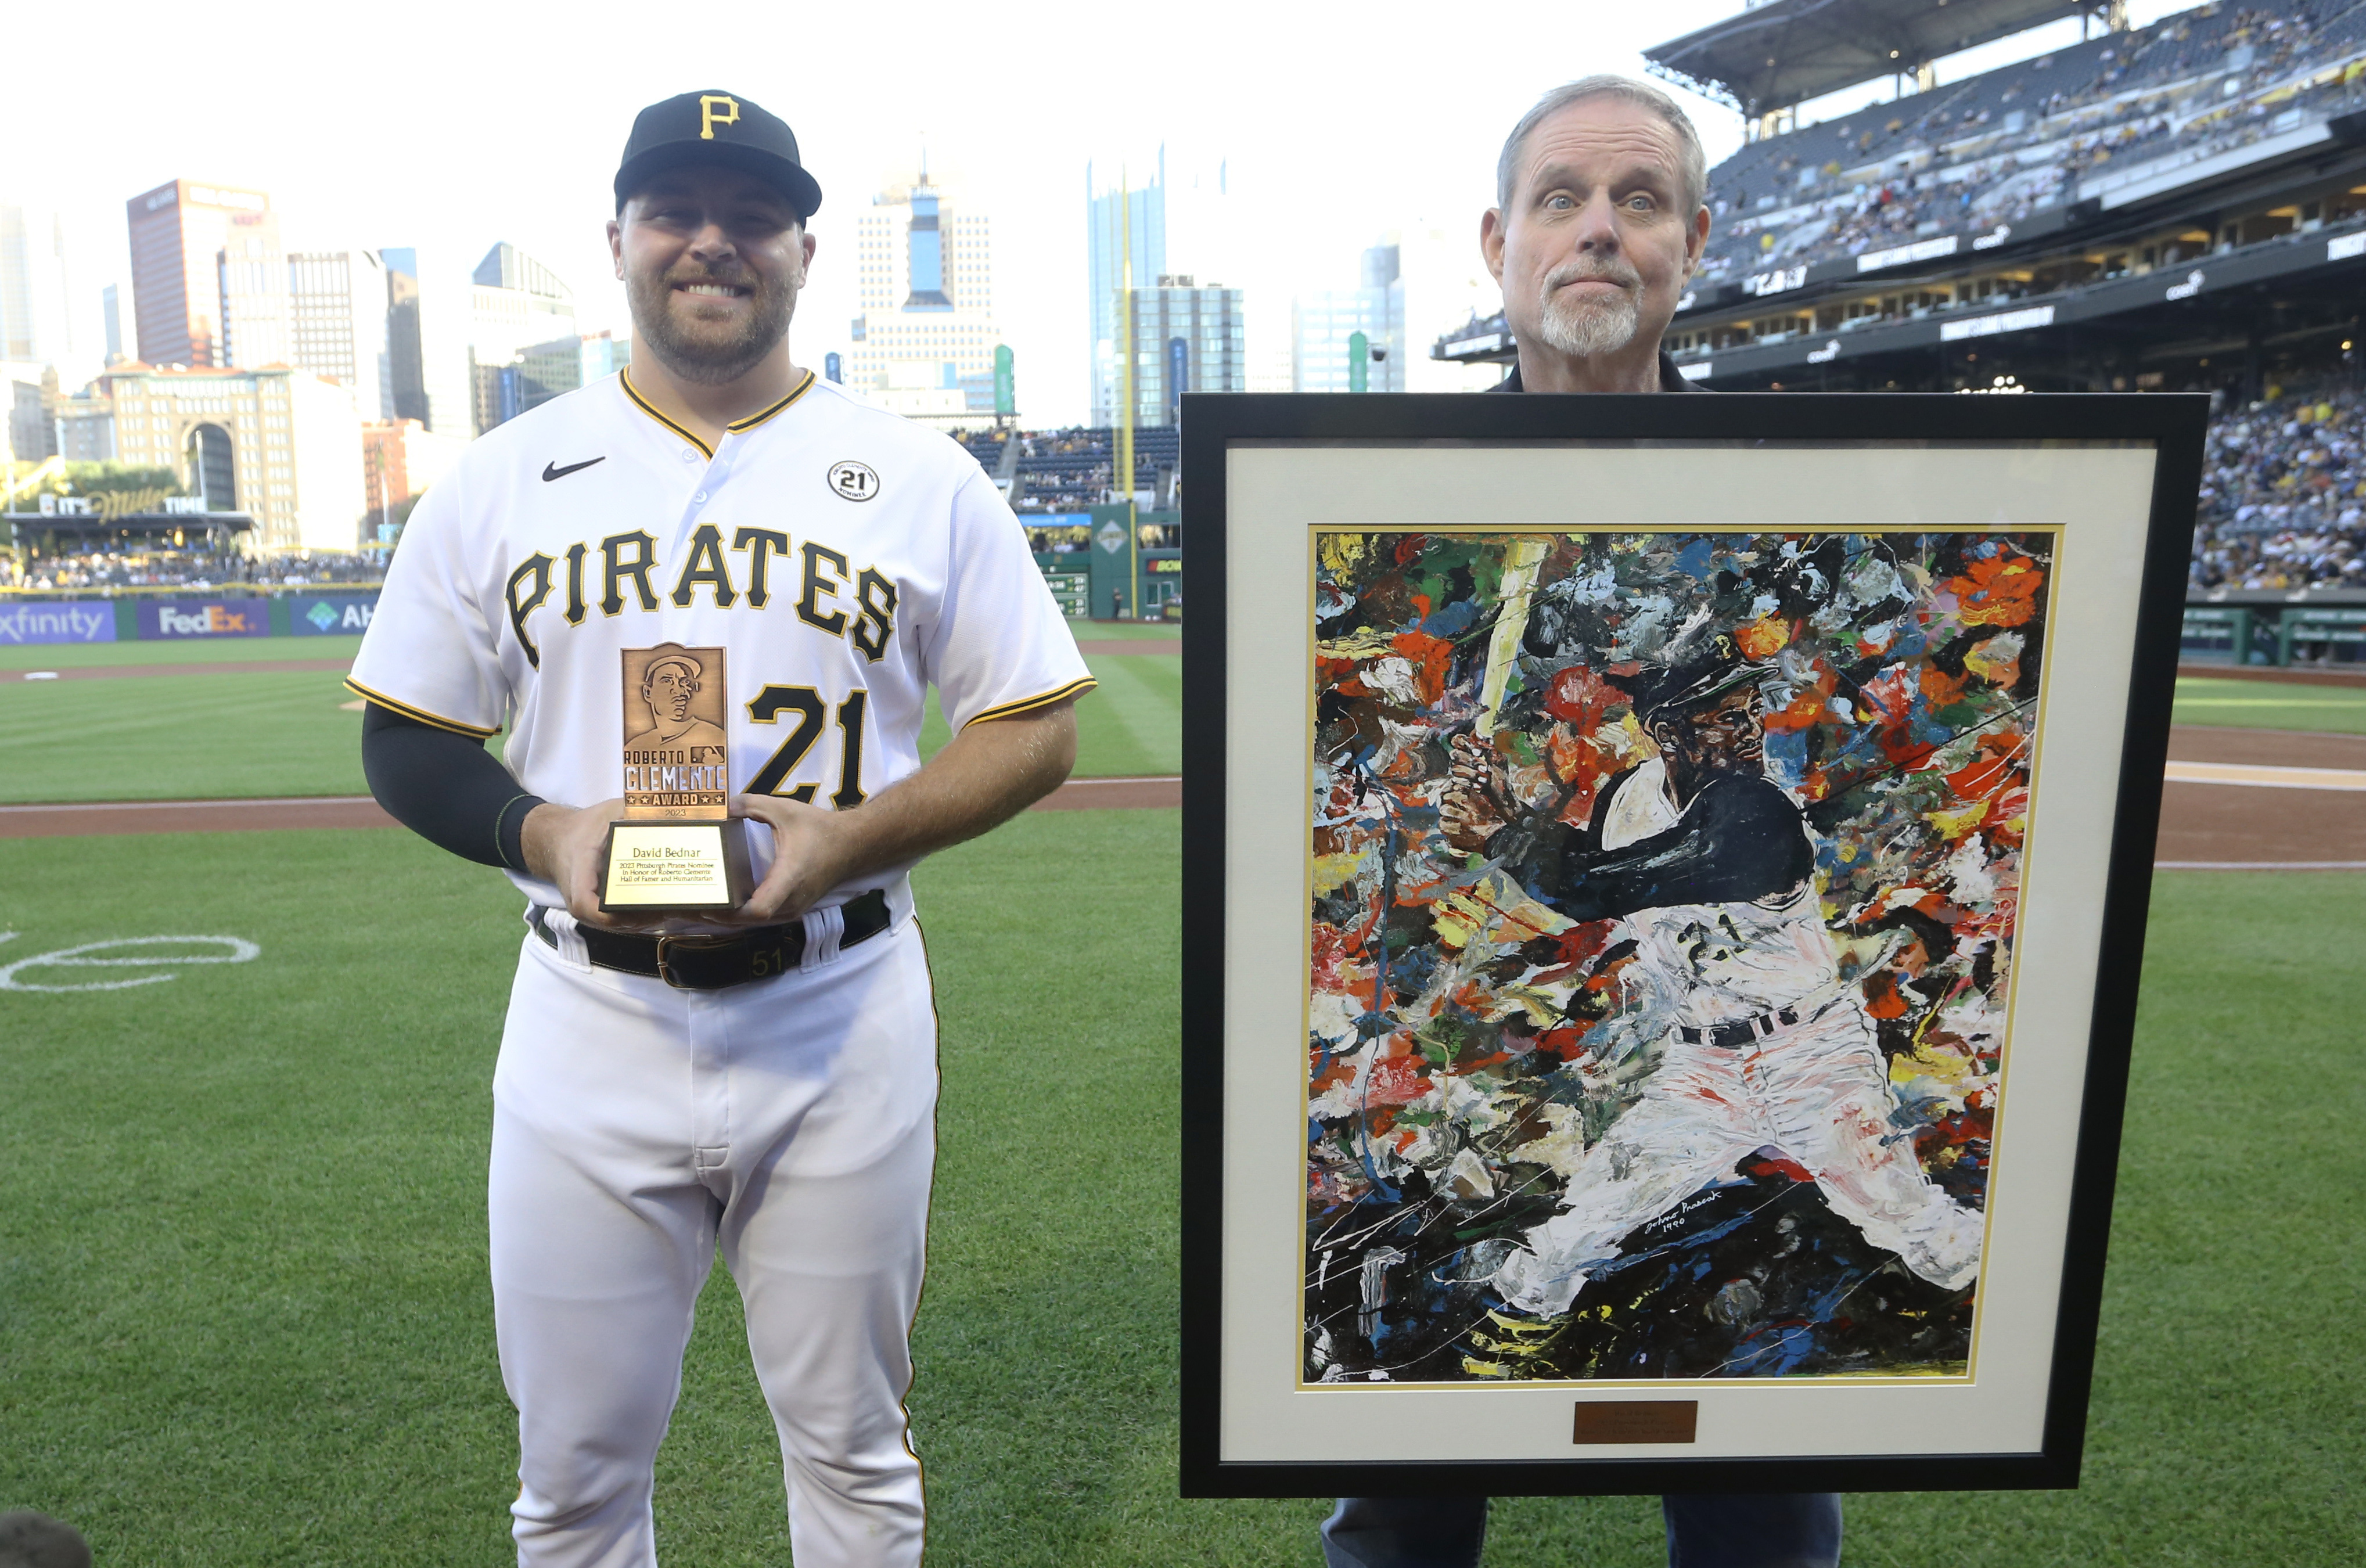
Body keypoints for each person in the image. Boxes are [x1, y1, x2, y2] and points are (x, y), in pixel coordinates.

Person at [347, 89, 1094, 1567]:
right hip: (586, 1016)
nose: (712, 243)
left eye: (751, 215)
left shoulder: (924, 475)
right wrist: (546, 836)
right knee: (569, 1482)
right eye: (676, 212)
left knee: (856, 1463)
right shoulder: (501, 475)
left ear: (805, 248)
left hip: (838, 1004)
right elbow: (406, 739)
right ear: (618, 240)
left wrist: (856, 836)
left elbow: (1037, 722)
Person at [1319, 74, 1846, 1568]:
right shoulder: (1383, 507)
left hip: (1708, 1031)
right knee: (1406, 1459)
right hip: (1475, 1029)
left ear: (1693, 240)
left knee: (1756, 1459)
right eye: (1562, 199)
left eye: (1639, 202)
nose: (1598, 233)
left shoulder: (1788, 501)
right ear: (1499, 241)